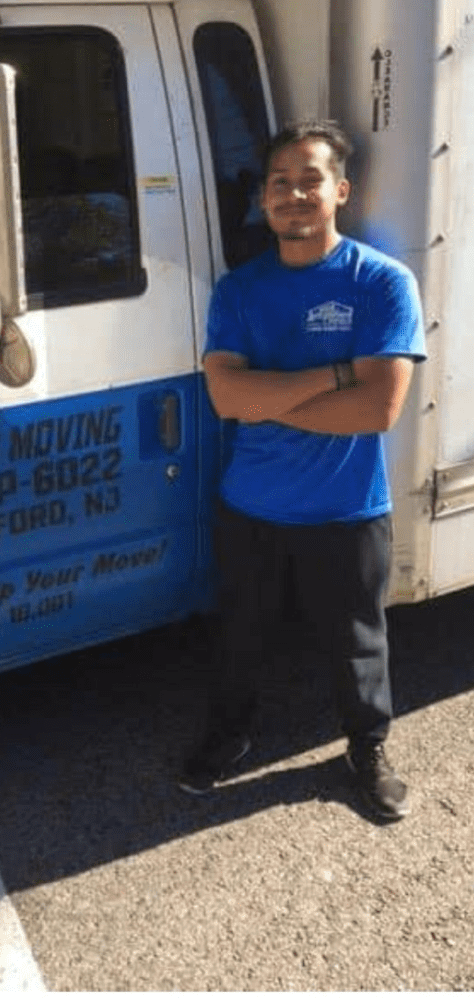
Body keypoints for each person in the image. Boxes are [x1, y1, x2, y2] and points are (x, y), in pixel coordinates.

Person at [180, 121, 426, 820]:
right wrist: (338, 372)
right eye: (279, 182)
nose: (294, 193)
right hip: (251, 506)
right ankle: (230, 734)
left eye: (310, 179)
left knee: (358, 642)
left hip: (348, 508)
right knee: (240, 635)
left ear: (339, 191)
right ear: (262, 199)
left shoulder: (382, 282)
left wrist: (269, 399)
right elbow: (227, 397)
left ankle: (367, 749)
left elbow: (377, 409)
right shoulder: (239, 291)